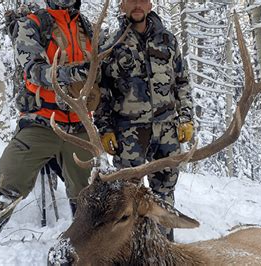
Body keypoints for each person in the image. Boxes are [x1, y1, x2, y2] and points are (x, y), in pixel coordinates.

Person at [0, 0, 95, 240]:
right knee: (11, 176)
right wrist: (72, 74)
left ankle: (89, 245)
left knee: (89, 193)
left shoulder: (86, 27)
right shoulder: (32, 25)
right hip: (42, 121)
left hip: (80, 125)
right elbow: (34, 69)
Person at [94, 0, 194, 241]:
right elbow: (102, 93)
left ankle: (164, 245)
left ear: (150, 5)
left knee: (165, 190)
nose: (137, 5)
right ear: (122, 5)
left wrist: (186, 118)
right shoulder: (110, 44)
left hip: (167, 129)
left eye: (142, 0)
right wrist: (105, 129)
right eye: (131, 1)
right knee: (128, 195)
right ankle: (133, 246)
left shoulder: (168, 40)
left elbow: (181, 81)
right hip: (128, 133)